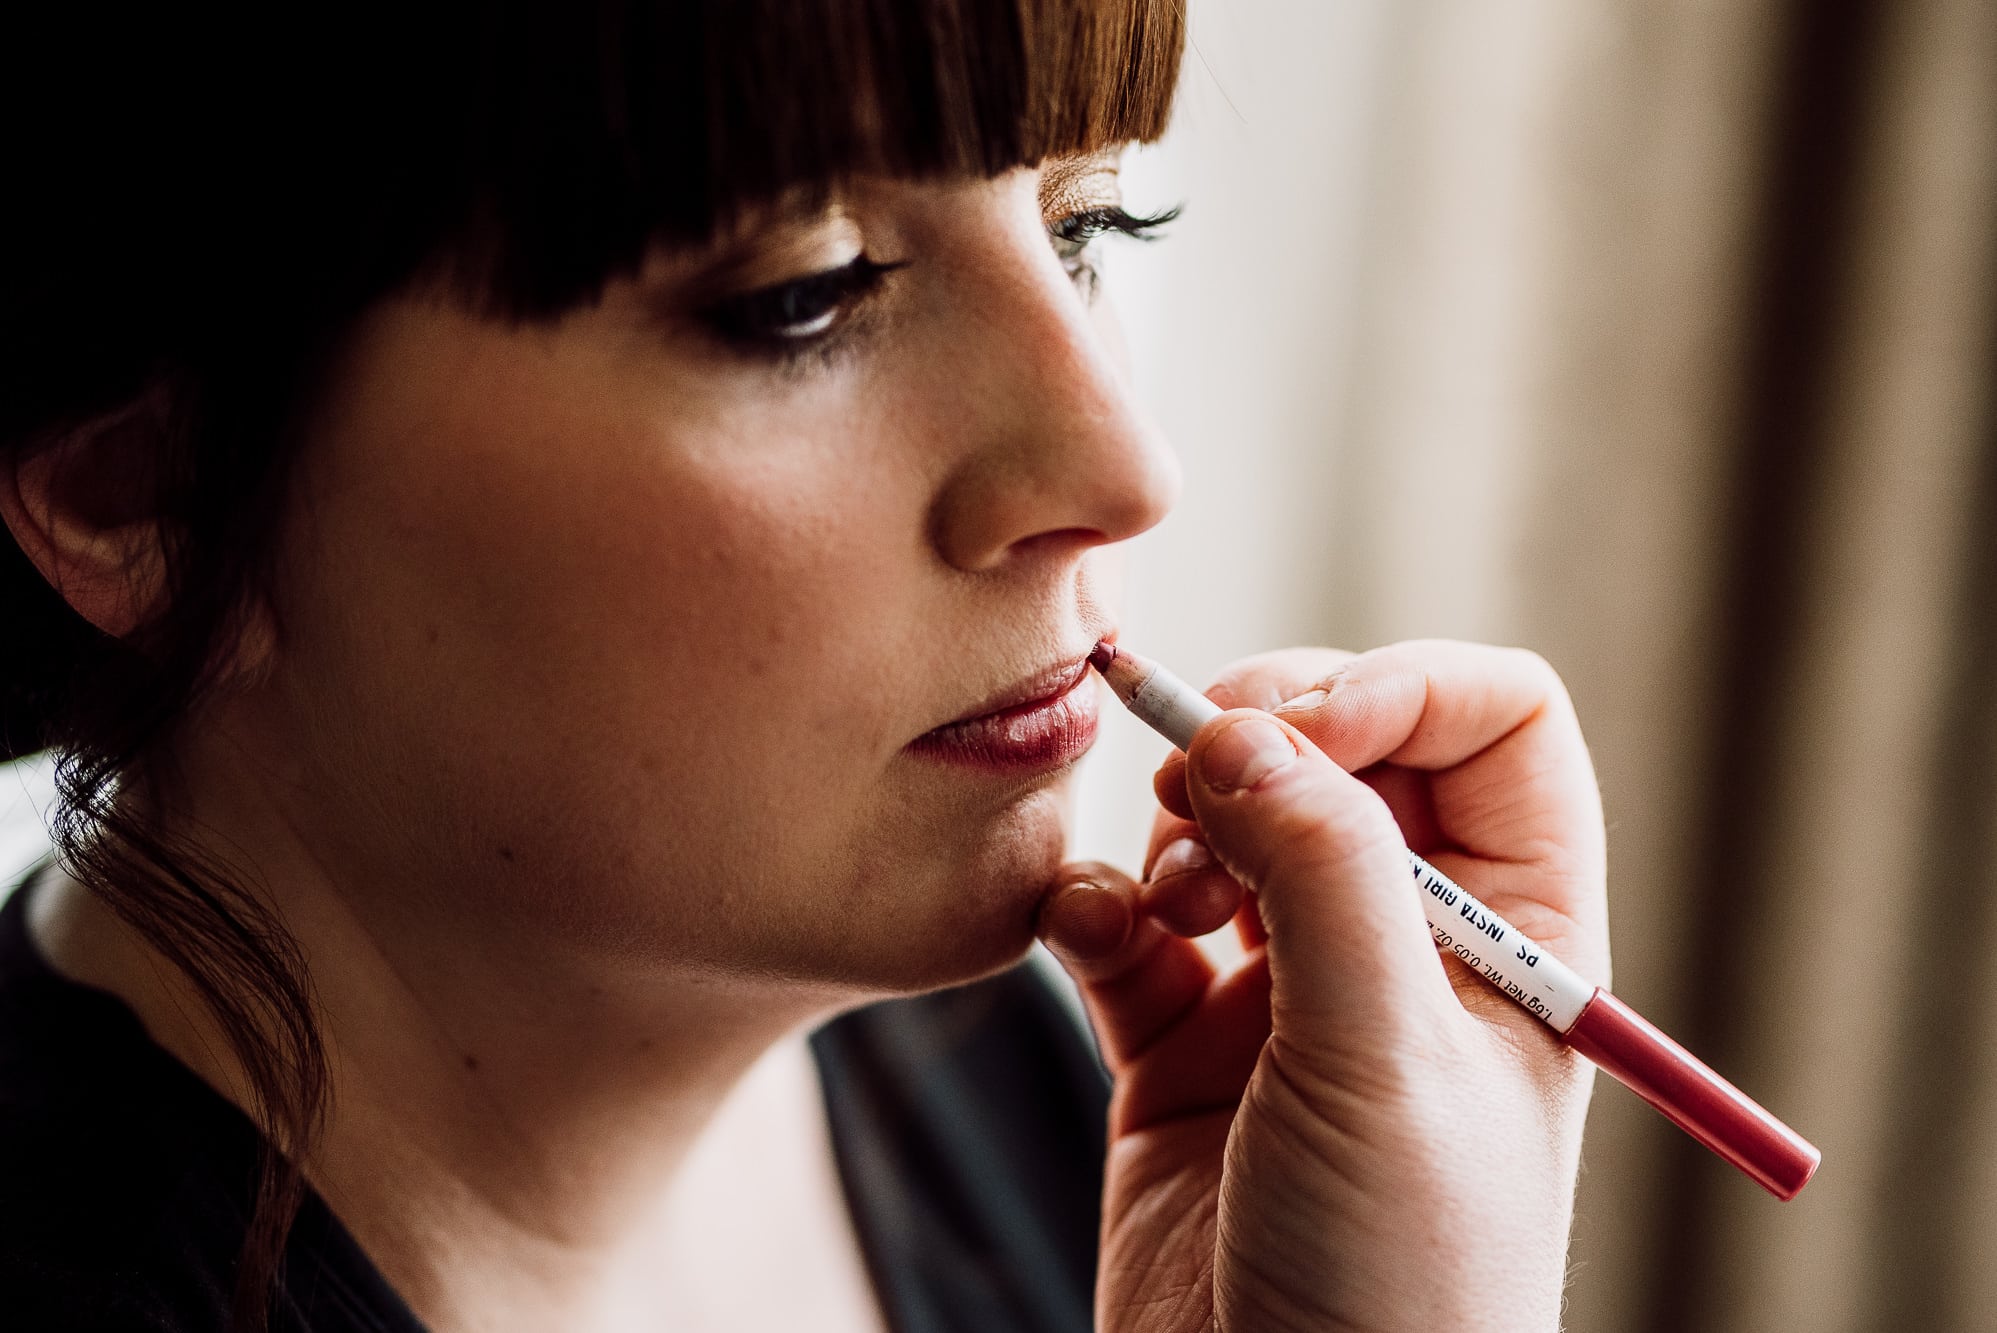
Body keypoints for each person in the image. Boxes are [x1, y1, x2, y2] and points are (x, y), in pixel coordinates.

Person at [0, 2, 1610, 1330]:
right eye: (807, 296)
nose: (1123, 466)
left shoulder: (1019, 1075)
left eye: (1087, 225)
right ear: (155, 496)